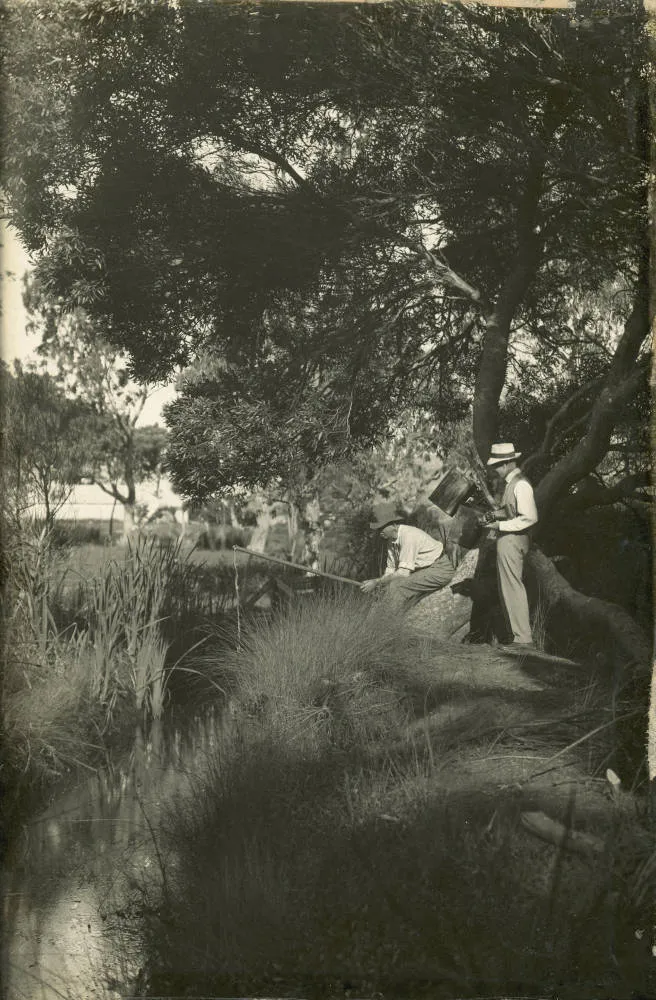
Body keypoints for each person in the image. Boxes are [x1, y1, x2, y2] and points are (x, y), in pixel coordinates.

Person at [482, 442, 538, 650]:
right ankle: (519, 637)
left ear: (506, 464)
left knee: (513, 587)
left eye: (496, 465)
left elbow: (530, 518)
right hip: (509, 539)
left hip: (513, 540)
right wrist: (496, 515)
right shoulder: (512, 483)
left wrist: (500, 524)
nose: (494, 470)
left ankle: (523, 639)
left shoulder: (521, 484)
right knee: (508, 587)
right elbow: (513, 511)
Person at [360, 502, 455, 605]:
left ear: (393, 525)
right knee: (388, 589)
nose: (379, 532)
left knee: (396, 588)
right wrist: (380, 584)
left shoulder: (408, 536)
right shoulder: (391, 540)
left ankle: (387, 619)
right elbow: (391, 569)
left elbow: (402, 573)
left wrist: (376, 582)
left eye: (380, 528)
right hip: (426, 570)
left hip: (440, 569)